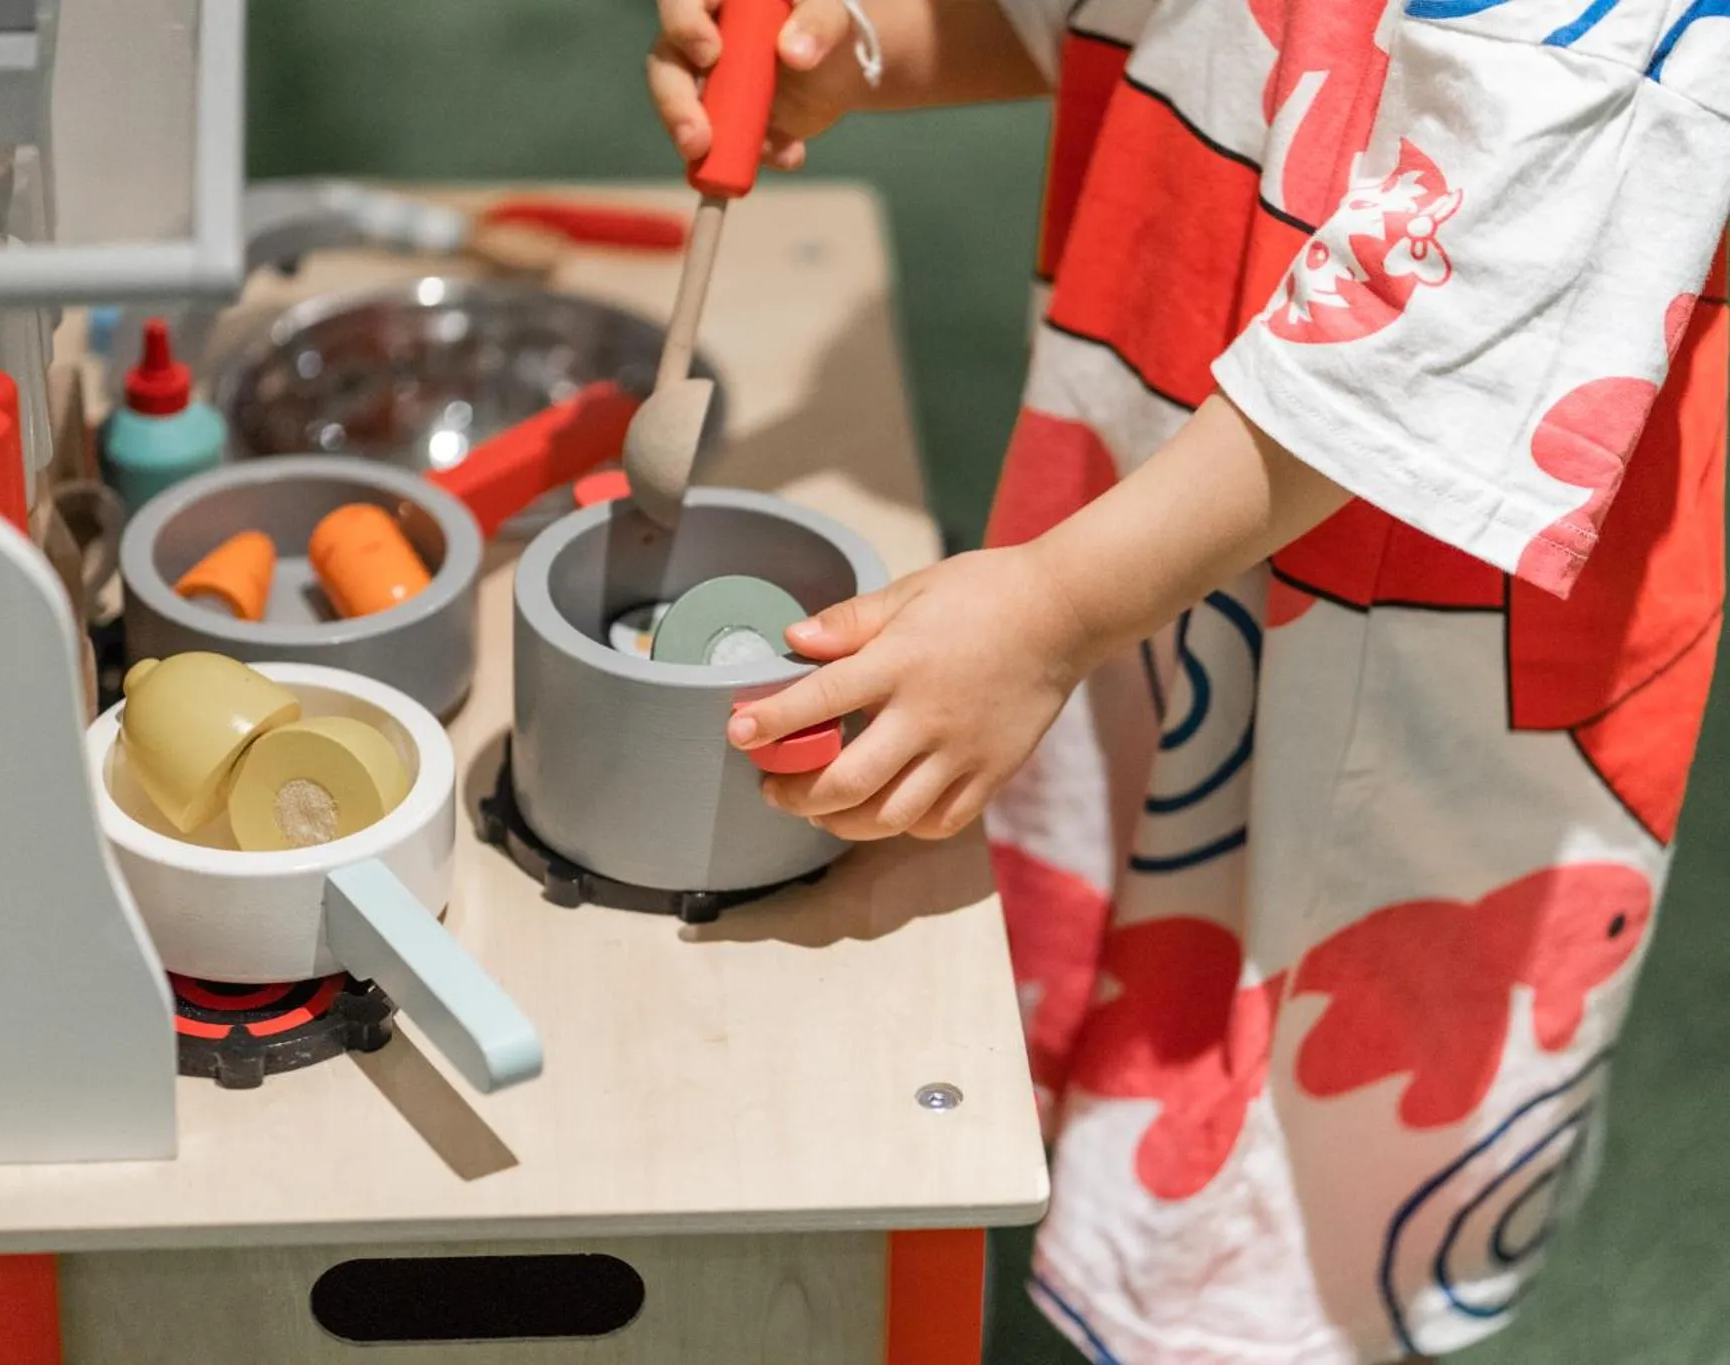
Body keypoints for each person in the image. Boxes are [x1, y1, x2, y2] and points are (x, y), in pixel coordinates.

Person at [650, 1, 1729, 1360]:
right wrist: (855, 45)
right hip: (1154, 527)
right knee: (1136, 906)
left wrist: (1058, 608)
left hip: (1406, 634)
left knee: (1289, 1121)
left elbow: (1455, 300)